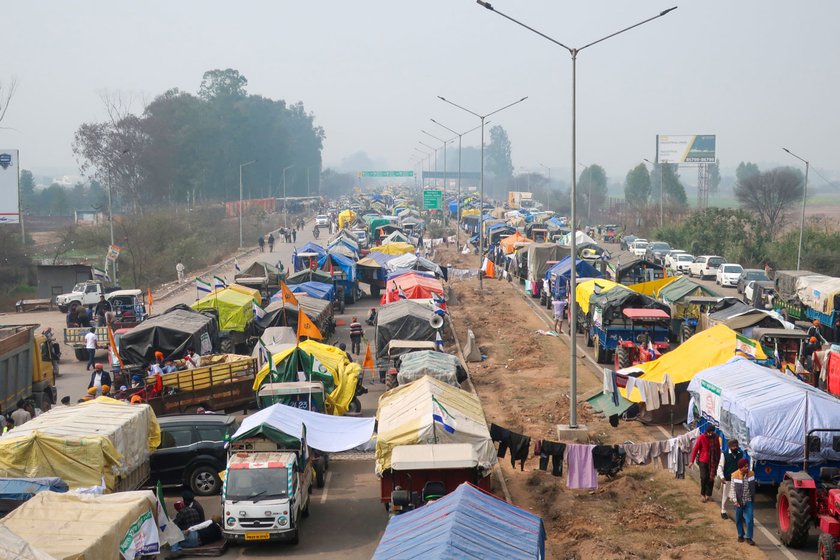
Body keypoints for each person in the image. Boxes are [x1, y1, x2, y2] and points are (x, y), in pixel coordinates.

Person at [690, 424, 721, 503]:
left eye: (712, 432)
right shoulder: (701, 437)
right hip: (703, 461)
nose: (710, 434)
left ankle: (708, 494)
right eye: (709, 432)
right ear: (706, 432)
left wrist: (718, 461)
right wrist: (691, 461)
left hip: (713, 462)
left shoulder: (716, 437)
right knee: (704, 478)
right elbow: (695, 449)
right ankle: (702, 494)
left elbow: (718, 450)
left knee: (711, 478)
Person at [729, 458, 756, 545]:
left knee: (750, 519)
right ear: (740, 468)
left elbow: (753, 487)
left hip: (748, 500)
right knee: (738, 519)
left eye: (747, 466)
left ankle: (749, 537)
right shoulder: (734, 475)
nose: (747, 468)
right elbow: (733, 489)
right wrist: (735, 501)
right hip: (739, 501)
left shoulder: (751, 474)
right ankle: (740, 535)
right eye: (745, 466)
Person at [717, 439, 744, 520]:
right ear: (729, 446)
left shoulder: (740, 454)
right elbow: (720, 466)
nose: (735, 447)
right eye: (733, 446)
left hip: (737, 478)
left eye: (736, 446)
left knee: (738, 497)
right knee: (725, 495)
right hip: (727, 478)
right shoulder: (724, 454)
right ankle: (723, 511)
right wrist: (721, 477)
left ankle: (739, 514)